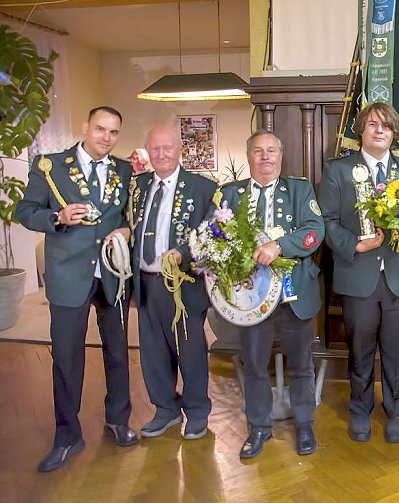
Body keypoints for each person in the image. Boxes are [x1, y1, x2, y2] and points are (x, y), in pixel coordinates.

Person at [16, 106, 138, 472]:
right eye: (100, 129)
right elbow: (24, 211)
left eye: (114, 132)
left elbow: (131, 216)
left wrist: (129, 231)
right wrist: (57, 217)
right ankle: (67, 436)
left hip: (113, 276)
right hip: (69, 277)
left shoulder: (124, 170)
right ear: (86, 127)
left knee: (118, 353)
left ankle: (118, 420)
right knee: (66, 358)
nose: (106, 137)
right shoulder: (50, 166)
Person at [318, 102, 399, 444]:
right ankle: (360, 411)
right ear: (361, 130)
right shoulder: (337, 170)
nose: (379, 130)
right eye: (372, 124)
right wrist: (355, 244)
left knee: (397, 353)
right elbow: (327, 222)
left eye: (386, 126)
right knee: (360, 351)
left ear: (395, 133)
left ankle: (396, 413)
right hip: (357, 275)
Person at [219, 130, 324, 458]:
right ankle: (259, 427)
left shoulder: (299, 189)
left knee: (301, 363)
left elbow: (314, 231)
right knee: (253, 363)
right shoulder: (230, 194)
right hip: (249, 296)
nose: (265, 157)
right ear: (249, 156)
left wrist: (279, 246)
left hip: (293, 291)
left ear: (280, 156)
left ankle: (304, 423)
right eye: (258, 151)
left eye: (271, 151)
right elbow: (214, 235)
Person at [132, 126, 217, 441]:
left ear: (180, 149)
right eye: (155, 149)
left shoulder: (202, 187)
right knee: (153, 352)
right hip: (145, 283)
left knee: (190, 351)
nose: (162, 154)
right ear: (147, 151)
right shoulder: (137, 187)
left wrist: (182, 253)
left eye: (167, 148)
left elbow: (211, 232)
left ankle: (197, 413)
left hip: (184, 285)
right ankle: (165, 410)